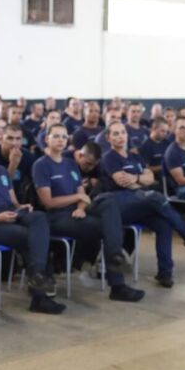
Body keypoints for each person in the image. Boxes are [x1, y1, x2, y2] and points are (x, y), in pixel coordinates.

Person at [0, 128, 65, 314]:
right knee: (28, 236)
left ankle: (37, 275)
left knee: (39, 217)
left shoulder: (1, 170)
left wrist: (22, 206)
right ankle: (39, 295)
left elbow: (13, 202)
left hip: (10, 215)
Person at [32, 124, 143, 302]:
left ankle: (115, 261)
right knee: (111, 229)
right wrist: (77, 198)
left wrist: (81, 207)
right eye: (56, 136)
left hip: (75, 212)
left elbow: (82, 195)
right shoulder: (41, 165)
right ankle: (117, 284)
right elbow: (49, 202)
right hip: (56, 217)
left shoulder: (69, 164)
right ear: (47, 139)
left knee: (108, 202)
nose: (60, 140)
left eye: (63, 137)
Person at [101, 121, 185, 287]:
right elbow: (122, 182)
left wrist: (137, 179)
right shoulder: (109, 158)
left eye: (122, 132)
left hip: (138, 201)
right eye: (115, 134)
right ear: (108, 138)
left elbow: (149, 177)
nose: (120, 136)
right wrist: (141, 181)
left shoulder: (134, 156)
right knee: (154, 196)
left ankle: (165, 273)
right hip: (119, 206)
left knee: (163, 224)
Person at [0, 124, 34, 200]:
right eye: (10, 138)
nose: (14, 143)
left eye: (18, 139)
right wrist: (13, 164)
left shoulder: (28, 156)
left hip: (21, 198)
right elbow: (0, 189)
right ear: (1, 139)